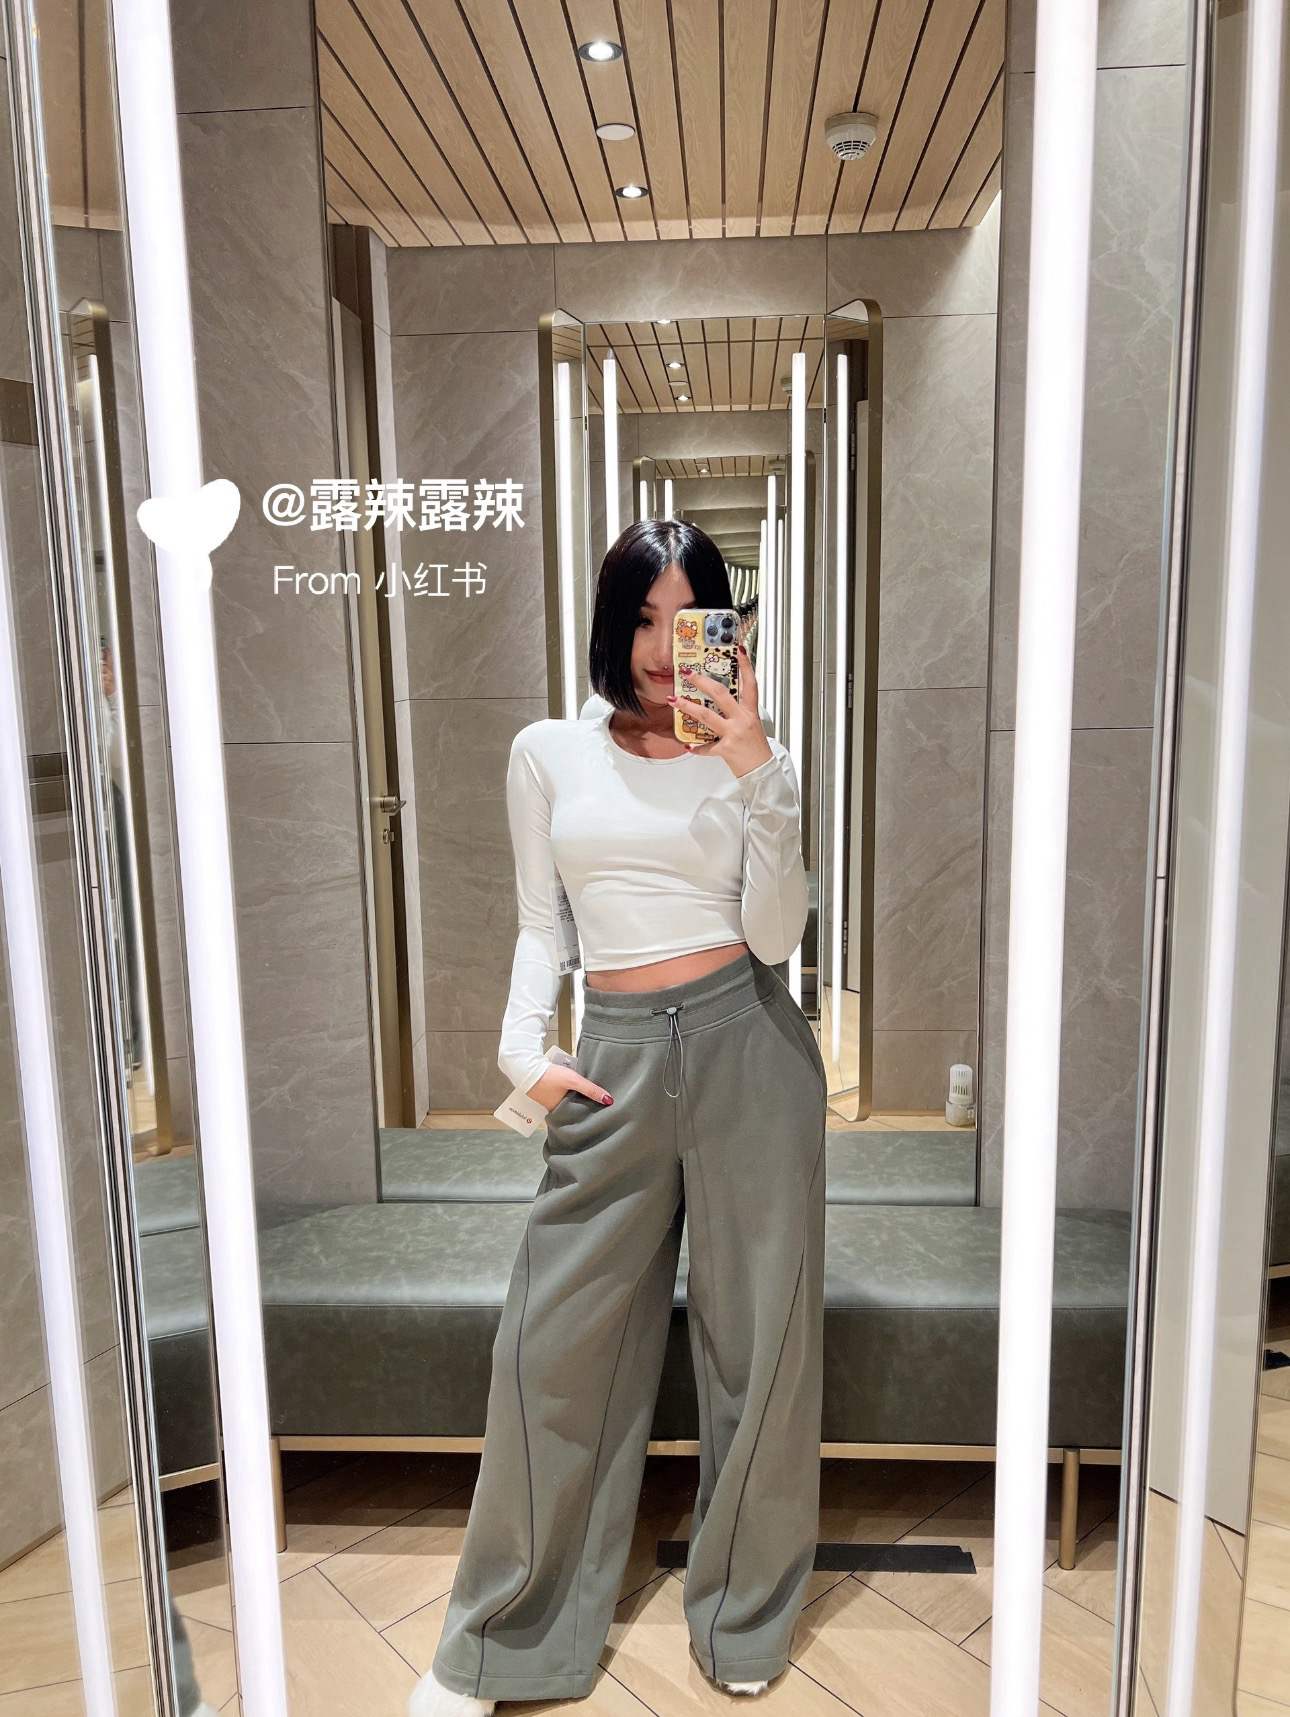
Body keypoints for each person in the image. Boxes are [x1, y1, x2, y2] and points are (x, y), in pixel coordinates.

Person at [410, 520, 826, 1716]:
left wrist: (759, 768)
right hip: (616, 1056)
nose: (659, 646)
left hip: (749, 1042)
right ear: (611, 621)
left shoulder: (755, 756)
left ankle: (743, 1613)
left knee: (761, 1346)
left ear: (727, 633)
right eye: (642, 617)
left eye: (689, 621)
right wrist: (516, 1053)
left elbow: (776, 937)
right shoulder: (550, 751)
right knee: (549, 1345)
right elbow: (541, 921)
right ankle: (506, 1639)